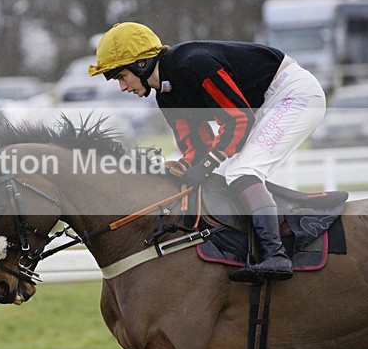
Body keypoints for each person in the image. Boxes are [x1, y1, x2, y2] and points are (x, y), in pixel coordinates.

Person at [88, 22, 326, 281]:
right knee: (221, 174)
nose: (123, 87)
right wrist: (172, 170)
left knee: (242, 171)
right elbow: (196, 148)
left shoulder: (193, 65)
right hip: (263, 105)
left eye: (122, 77)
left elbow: (238, 120)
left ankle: (275, 254)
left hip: (293, 94)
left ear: (141, 64)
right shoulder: (166, 96)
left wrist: (207, 163)